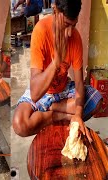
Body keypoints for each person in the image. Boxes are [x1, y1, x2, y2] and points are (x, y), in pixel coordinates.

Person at [12, 0, 102, 143]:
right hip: (43, 91)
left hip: (63, 90)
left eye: (74, 25)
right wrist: (57, 60)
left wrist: (78, 114)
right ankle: (62, 116)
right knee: (19, 124)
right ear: (55, 11)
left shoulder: (75, 38)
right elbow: (35, 93)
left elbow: (79, 83)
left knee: (96, 100)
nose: (69, 32)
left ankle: (55, 110)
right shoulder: (40, 30)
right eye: (66, 24)